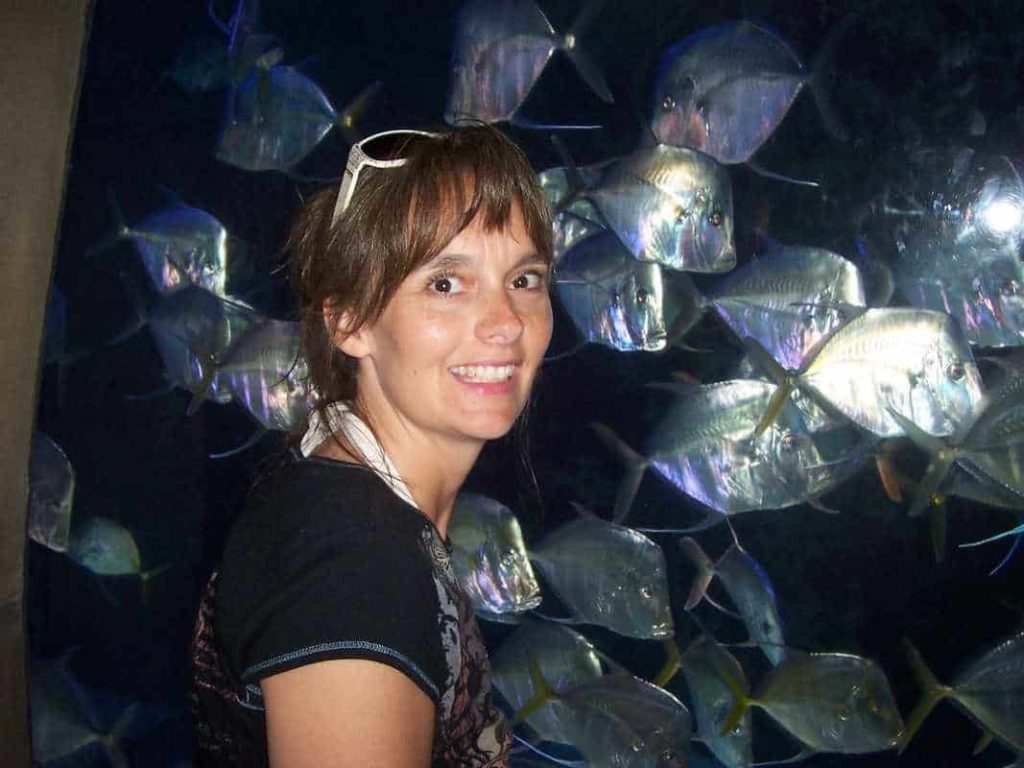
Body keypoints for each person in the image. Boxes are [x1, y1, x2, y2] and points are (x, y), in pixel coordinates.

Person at [189, 124, 554, 766]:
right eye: (446, 283)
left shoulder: (348, 502)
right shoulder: (352, 561)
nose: (506, 323)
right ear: (350, 321)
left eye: (524, 279)